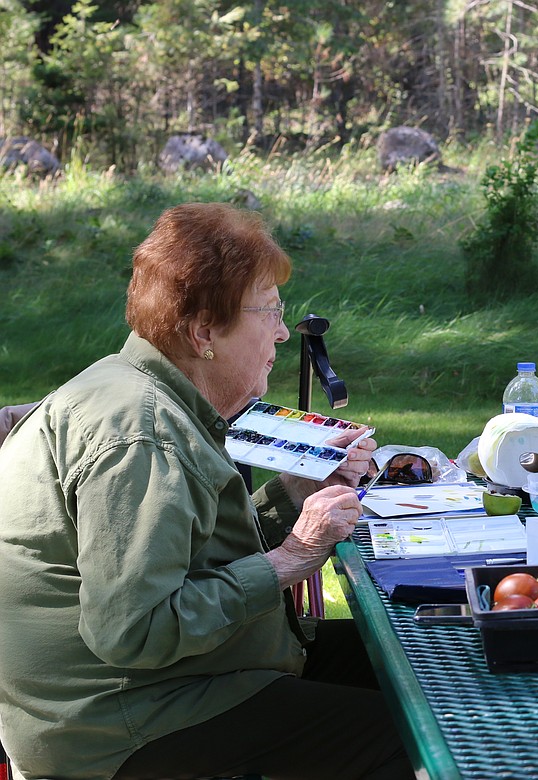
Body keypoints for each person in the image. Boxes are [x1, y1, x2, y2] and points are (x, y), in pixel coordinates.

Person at [0, 203, 410, 779]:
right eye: (268, 311)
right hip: (120, 720)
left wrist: (291, 494)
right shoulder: (144, 434)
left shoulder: (142, 392)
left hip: (180, 677)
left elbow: (189, 547)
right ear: (203, 332)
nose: (283, 331)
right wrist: (294, 559)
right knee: (412, 737)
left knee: (416, 661)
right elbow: (134, 630)